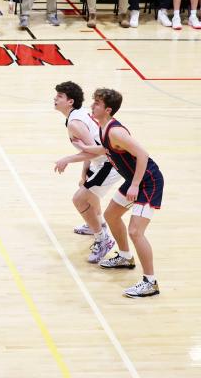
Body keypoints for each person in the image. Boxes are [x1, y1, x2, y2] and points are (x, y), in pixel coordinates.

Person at [80, 88, 164, 298]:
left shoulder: (116, 131)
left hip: (148, 181)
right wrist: (79, 152)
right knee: (111, 215)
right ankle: (125, 257)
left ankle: (150, 282)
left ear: (108, 110)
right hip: (135, 179)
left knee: (136, 231)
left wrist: (135, 184)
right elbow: (107, 150)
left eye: (97, 103)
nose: (92, 105)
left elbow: (143, 154)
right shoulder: (103, 128)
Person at [51, 82, 122, 263]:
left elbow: (94, 149)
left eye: (60, 96)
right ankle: (97, 225)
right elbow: (91, 151)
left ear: (70, 101)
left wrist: (66, 159)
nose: (55, 98)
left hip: (109, 163)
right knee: (87, 191)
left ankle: (102, 239)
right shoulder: (77, 115)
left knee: (79, 199)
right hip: (100, 162)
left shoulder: (75, 122)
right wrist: (85, 173)